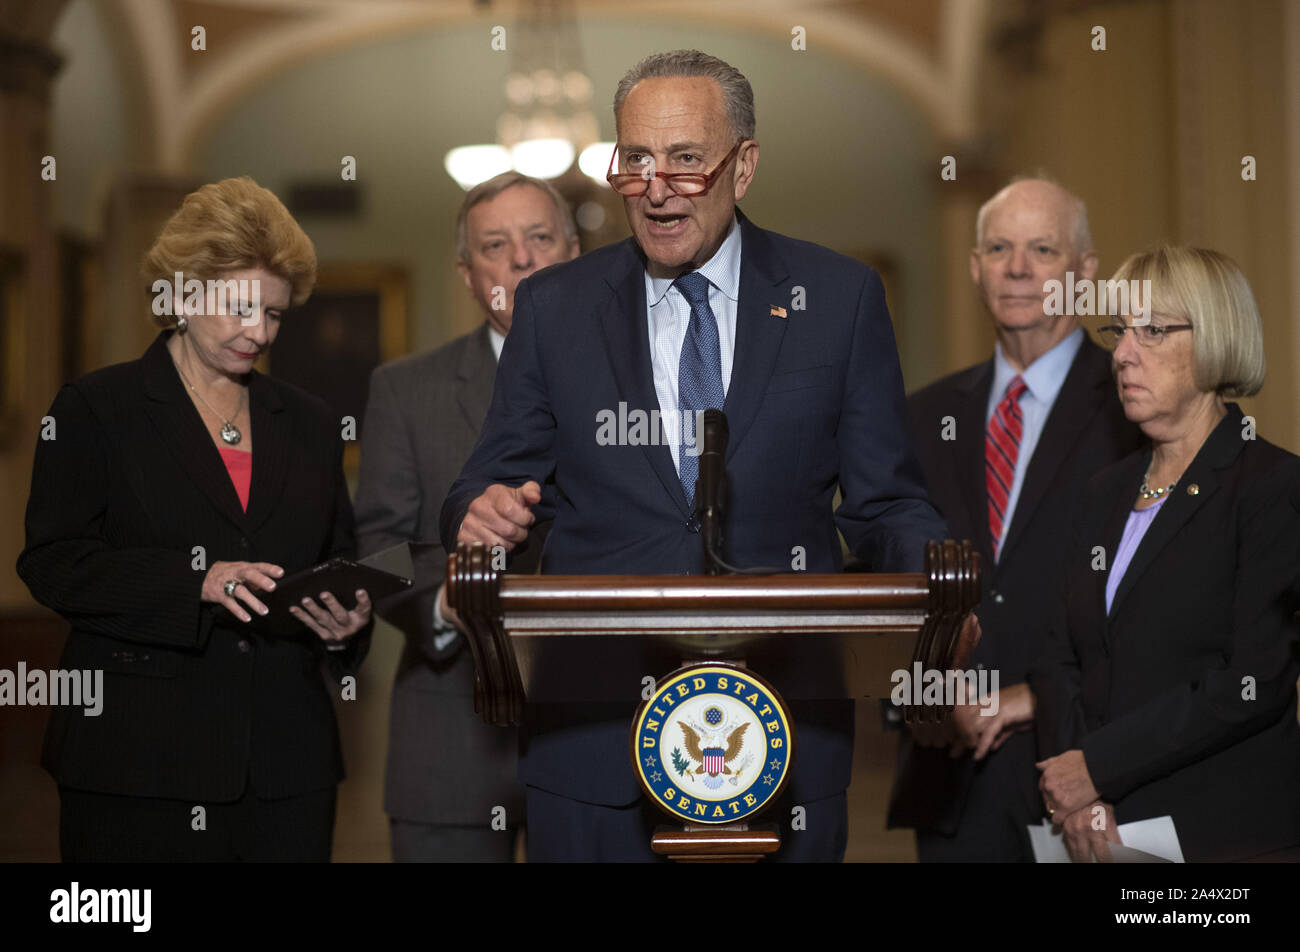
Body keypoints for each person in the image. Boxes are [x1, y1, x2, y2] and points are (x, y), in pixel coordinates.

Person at [440, 49, 953, 862]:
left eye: (685, 159)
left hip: (781, 735)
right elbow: (490, 476)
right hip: (592, 742)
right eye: (635, 159)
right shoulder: (555, 307)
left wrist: (944, 583)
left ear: (743, 166)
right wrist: (477, 509)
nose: (655, 184)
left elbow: (885, 499)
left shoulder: (839, 300)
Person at [16, 176, 373, 862]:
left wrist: (346, 627)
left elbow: (338, 556)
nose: (258, 332)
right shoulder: (96, 409)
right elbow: (52, 563)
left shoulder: (310, 422)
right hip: (137, 765)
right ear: (180, 294)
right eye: (239, 307)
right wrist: (197, 583)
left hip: (287, 767)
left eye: (273, 314)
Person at [887, 179, 1141, 861]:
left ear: (1084, 273)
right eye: (999, 248)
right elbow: (886, 572)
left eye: (1043, 249)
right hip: (950, 777)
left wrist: (1042, 694)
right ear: (975, 267)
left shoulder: (1136, 409)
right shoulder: (921, 415)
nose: (1018, 268)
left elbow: (1162, 597)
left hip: (1091, 769)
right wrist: (922, 693)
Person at [1031, 246, 1300, 862]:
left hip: (1228, 838)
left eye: (1152, 331)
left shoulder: (1272, 487)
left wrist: (1096, 768)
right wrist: (1079, 794)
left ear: (1215, 341)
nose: (1123, 353)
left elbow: (1252, 684)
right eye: (1119, 331)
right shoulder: (1104, 491)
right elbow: (1060, 654)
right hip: (1093, 831)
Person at [354, 171, 579, 862]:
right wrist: (452, 601)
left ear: (575, 252)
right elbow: (380, 547)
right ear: (466, 271)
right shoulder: (404, 388)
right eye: (495, 244)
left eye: (539, 236)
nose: (521, 257)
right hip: (448, 743)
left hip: (600, 737)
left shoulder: (647, 384)